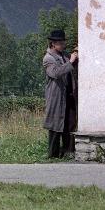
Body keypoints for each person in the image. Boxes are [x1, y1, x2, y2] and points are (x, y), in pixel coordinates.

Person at [42, 29, 78, 158]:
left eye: (63, 43)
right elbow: (56, 73)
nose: (63, 45)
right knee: (55, 124)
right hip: (56, 96)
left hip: (68, 95)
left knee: (69, 123)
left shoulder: (64, 56)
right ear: (53, 44)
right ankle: (53, 154)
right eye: (61, 43)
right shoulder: (48, 59)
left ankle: (68, 151)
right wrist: (71, 62)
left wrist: (76, 54)